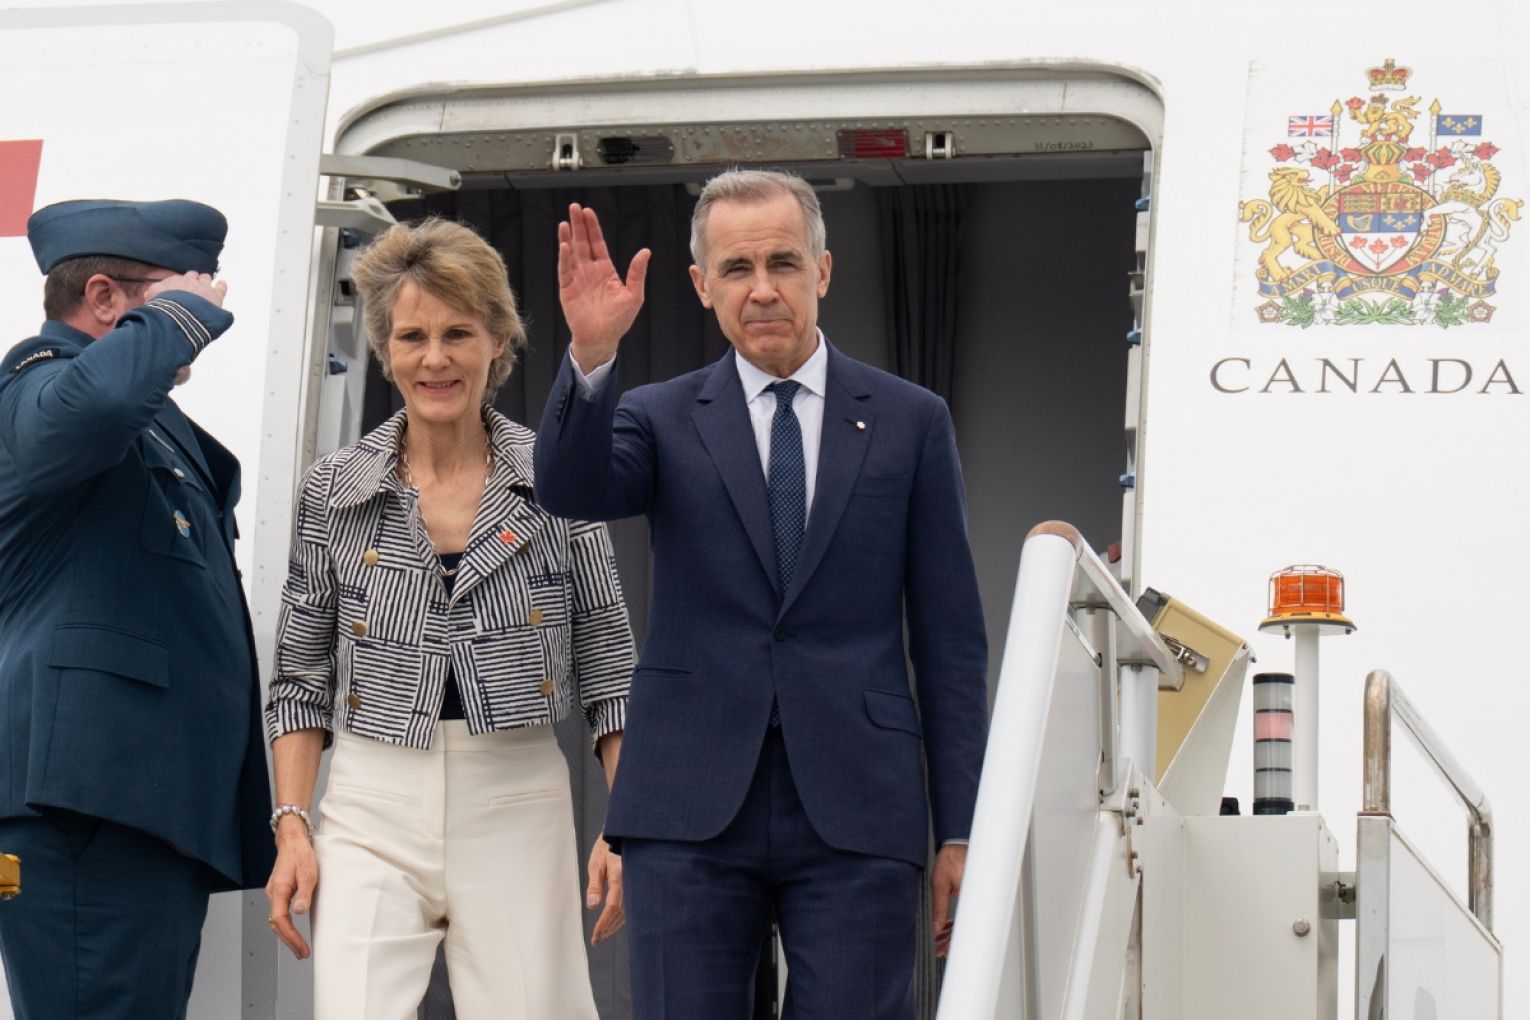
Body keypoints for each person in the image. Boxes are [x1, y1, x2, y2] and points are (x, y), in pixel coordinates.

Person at [535, 169, 990, 1019]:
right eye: (737, 269)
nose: (764, 289)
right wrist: (592, 357)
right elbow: (572, 489)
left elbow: (951, 639)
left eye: (784, 261)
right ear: (703, 287)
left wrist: (962, 826)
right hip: (687, 807)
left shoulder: (910, 419)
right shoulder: (657, 414)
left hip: (860, 809)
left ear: (823, 269)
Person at [263, 217, 635, 1020]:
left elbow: (610, 665)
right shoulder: (335, 488)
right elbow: (300, 678)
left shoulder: (560, 481)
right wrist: (293, 828)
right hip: (368, 803)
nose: (435, 358)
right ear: (387, 349)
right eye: (413, 336)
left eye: (459, 333)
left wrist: (627, 820)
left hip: (519, 795)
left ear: (499, 340)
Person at [0, 198, 274, 1018]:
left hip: (137, 803)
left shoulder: (150, 425)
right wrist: (185, 317)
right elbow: (88, 410)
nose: (210, 308)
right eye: (184, 289)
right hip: (83, 804)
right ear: (106, 299)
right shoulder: (35, 384)